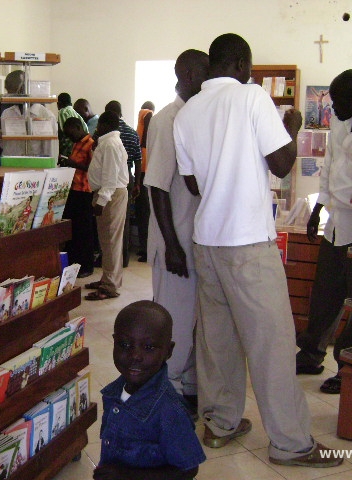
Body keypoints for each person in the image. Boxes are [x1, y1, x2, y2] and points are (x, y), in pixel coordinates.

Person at [174, 33, 342, 467]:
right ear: (241, 65)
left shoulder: (187, 112)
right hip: (247, 242)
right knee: (272, 345)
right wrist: (292, 129)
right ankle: (291, 443)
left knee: (217, 341)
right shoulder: (251, 98)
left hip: (207, 241)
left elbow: (192, 184)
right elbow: (282, 164)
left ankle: (220, 424)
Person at [295, 69, 352, 396]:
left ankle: (347, 368)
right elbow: (328, 167)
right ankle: (311, 354)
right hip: (335, 221)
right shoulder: (340, 123)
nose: (334, 109)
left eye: (339, 102)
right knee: (325, 293)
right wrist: (317, 210)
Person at [144, 49, 209, 415]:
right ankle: (167, 395)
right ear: (187, 75)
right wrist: (172, 245)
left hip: (196, 242)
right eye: (205, 74)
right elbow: (157, 186)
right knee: (176, 325)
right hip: (176, 244)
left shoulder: (199, 116)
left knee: (197, 324)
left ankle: (191, 390)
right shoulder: (167, 119)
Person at [95, 300, 205, 480]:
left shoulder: (170, 411)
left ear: (168, 351)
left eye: (148, 347)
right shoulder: (113, 394)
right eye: (124, 344)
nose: (135, 356)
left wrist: (127, 476)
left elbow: (188, 470)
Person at [85, 111, 129, 301]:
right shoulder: (107, 143)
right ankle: (107, 279)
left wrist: (101, 201)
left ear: (104, 125)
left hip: (110, 195)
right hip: (108, 193)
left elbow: (110, 177)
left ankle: (110, 286)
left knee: (111, 242)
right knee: (107, 241)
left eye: (98, 125)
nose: (96, 128)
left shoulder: (110, 144)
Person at [104, 100, 142, 268]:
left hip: (109, 179)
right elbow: (138, 160)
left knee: (109, 223)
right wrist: (137, 183)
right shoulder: (132, 132)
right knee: (123, 222)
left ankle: (110, 260)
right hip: (127, 178)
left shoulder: (106, 133)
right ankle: (123, 259)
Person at [61, 116, 96, 278]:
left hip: (85, 192)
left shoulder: (91, 143)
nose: (70, 137)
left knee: (84, 231)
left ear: (77, 127)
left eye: (71, 134)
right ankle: (73, 263)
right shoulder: (77, 143)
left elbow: (93, 168)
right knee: (73, 229)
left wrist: (73, 164)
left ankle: (86, 266)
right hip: (74, 190)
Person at [1, 70, 55, 157]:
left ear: (25, 88)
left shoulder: (46, 116)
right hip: (10, 163)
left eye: (13, 91)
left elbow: (50, 152)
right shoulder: (7, 114)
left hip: (35, 164)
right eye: (8, 91)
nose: (9, 96)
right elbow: (5, 146)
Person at [135, 101, 155, 262]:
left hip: (144, 172)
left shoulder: (145, 113)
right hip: (145, 171)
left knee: (144, 212)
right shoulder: (147, 113)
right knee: (144, 212)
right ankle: (146, 248)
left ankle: (147, 249)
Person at [57, 92, 87, 159]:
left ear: (58, 104)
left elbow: (66, 134)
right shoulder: (75, 112)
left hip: (72, 149)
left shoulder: (62, 112)